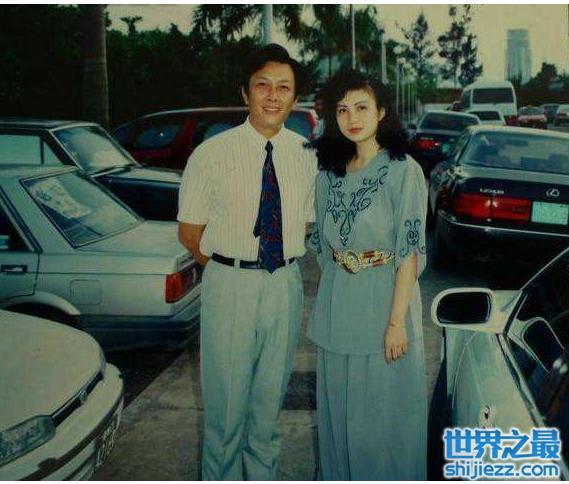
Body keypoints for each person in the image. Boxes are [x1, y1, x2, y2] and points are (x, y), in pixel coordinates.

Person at [177, 44, 317, 481]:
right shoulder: (211, 154)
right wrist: (230, 268)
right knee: (225, 414)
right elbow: (190, 233)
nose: (273, 96)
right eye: (263, 86)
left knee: (268, 410)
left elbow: (307, 224)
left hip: (284, 285)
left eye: (283, 88)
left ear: (295, 98)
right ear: (245, 93)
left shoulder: (307, 155)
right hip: (230, 285)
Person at [307, 69, 428, 480]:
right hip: (338, 307)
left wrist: (396, 322)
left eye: (361, 107)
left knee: (383, 424)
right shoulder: (328, 175)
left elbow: (409, 252)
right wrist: (343, 277)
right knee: (340, 419)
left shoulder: (403, 170)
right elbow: (323, 249)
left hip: (385, 306)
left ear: (381, 112)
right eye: (342, 109)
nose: (352, 117)